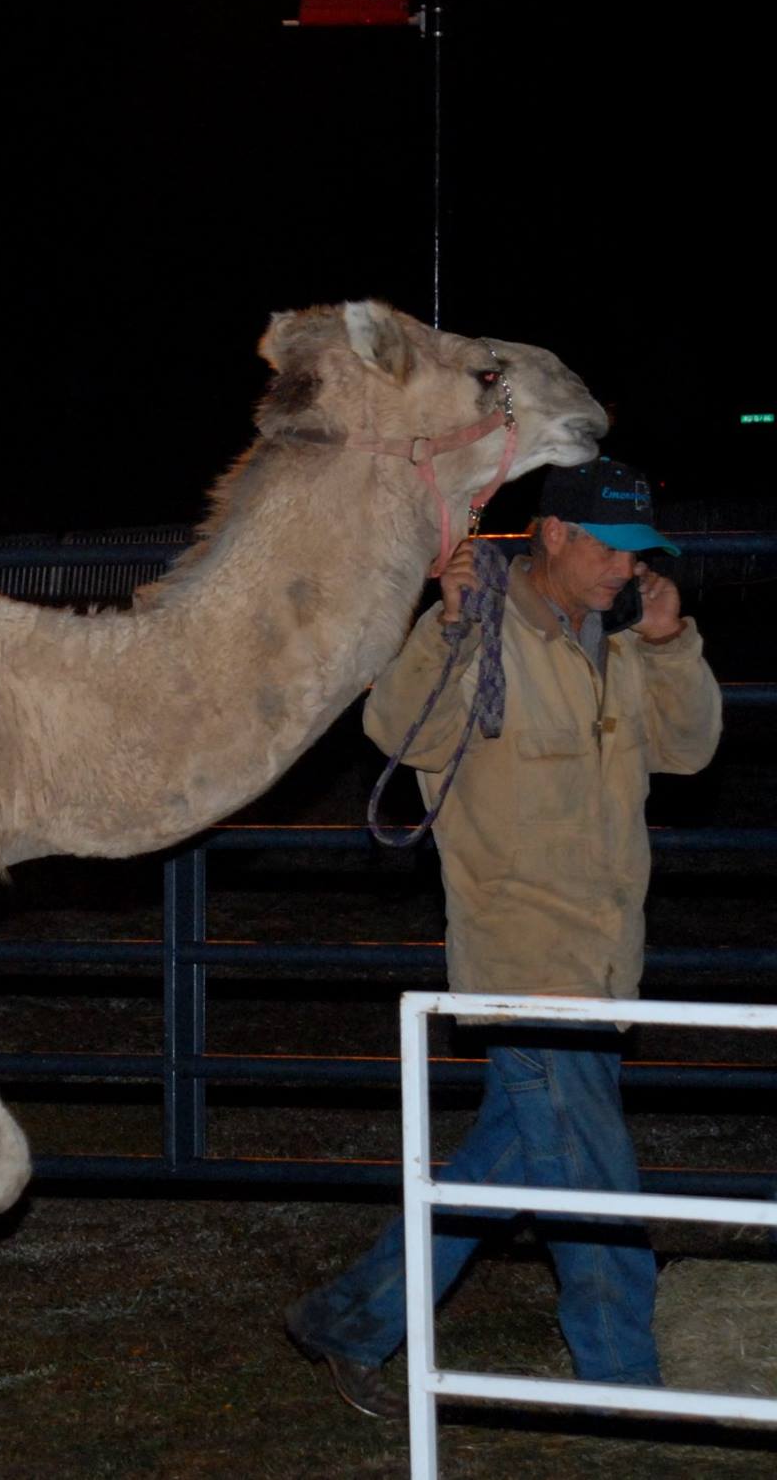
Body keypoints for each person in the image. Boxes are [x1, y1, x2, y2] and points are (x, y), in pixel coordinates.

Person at [285, 457, 723, 1418]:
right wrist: (444, 623)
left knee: (517, 1159)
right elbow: (399, 732)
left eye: (641, 554)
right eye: (613, 547)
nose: (626, 568)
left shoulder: (615, 642)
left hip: (605, 957)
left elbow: (690, 750)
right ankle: (625, 1387)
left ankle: (351, 1320)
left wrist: (670, 639)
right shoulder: (480, 626)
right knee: (596, 1182)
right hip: (525, 959)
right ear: (556, 534)